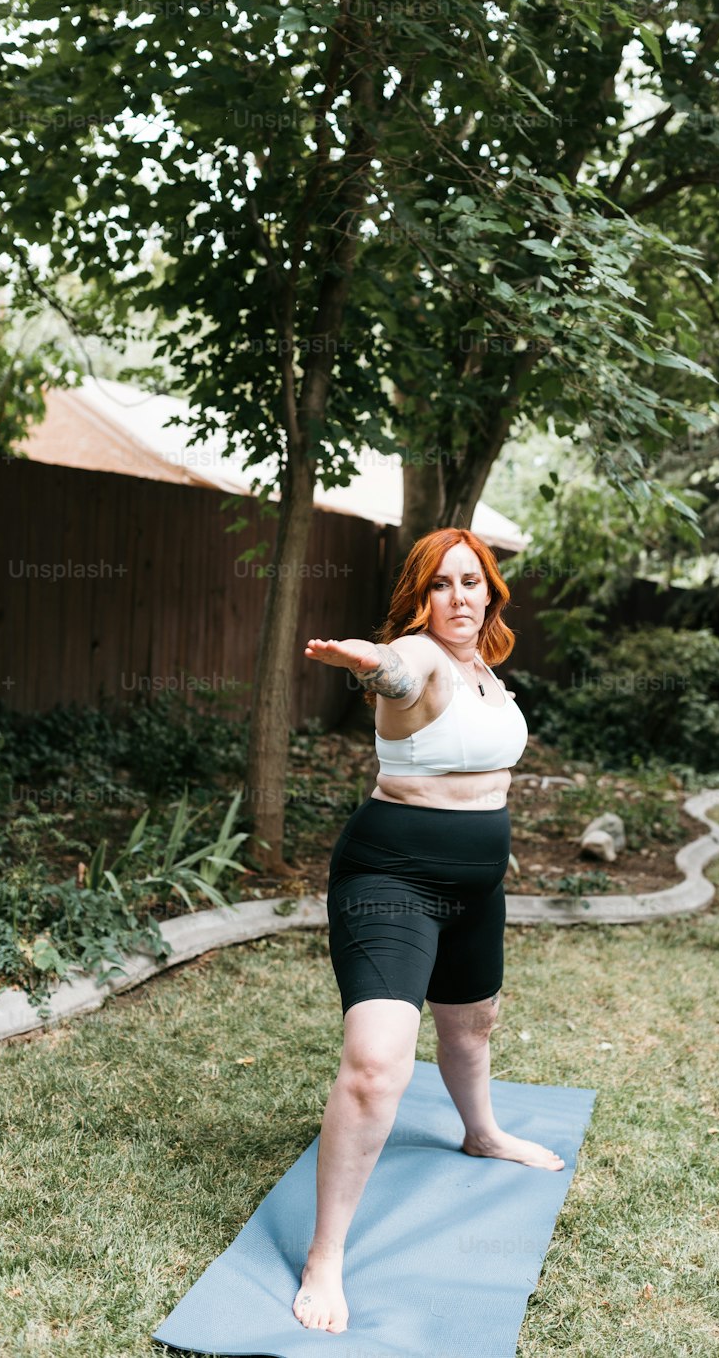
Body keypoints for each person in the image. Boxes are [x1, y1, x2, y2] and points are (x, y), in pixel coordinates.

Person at [292, 527, 565, 1335]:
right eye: (441, 584)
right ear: (421, 595)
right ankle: (325, 1255)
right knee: (378, 1068)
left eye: (471, 582)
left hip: (477, 885)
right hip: (391, 878)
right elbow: (402, 677)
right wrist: (371, 664)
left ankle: (480, 1132)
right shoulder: (422, 659)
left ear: (490, 592)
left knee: (473, 1027)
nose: (459, 598)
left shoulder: (485, 669)